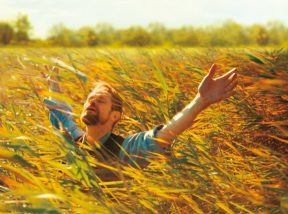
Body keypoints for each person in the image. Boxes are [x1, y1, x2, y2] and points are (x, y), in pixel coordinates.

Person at [43, 63, 238, 168]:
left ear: (115, 116)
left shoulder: (124, 149)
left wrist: (201, 100)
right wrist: (54, 86)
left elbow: (165, 134)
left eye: (101, 100)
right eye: (89, 99)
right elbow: (61, 113)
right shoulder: (74, 138)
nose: (91, 102)